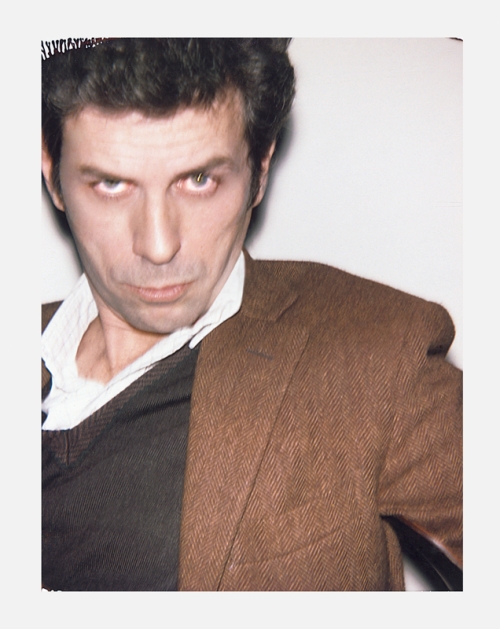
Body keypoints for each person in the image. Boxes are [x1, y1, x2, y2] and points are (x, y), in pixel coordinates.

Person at [41, 38, 462, 591]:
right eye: (112, 184)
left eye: (199, 180)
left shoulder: (371, 355)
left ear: (259, 170)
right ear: (52, 173)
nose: (159, 245)